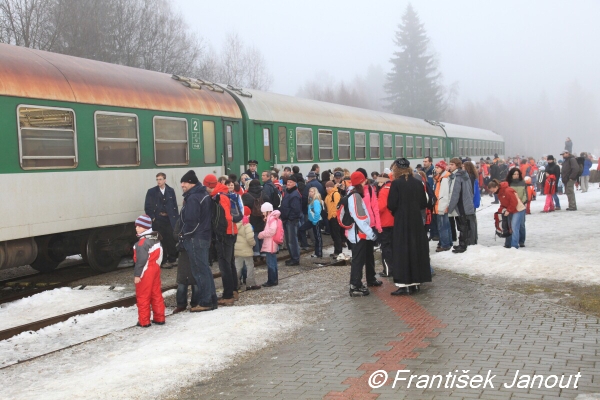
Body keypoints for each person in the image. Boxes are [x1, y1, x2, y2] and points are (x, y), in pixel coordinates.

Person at [387, 158, 431, 295]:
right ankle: (416, 283)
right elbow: (424, 202)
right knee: (416, 249)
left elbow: (391, 204)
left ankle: (404, 283)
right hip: (416, 220)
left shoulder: (396, 184)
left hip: (402, 221)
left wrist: (397, 211)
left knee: (403, 251)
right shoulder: (417, 183)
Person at [179, 170, 217, 312]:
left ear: (191, 183)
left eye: (184, 182)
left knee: (199, 271)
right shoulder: (203, 195)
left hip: (196, 238)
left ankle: (205, 301)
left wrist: (184, 234)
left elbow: (191, 221)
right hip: (203, 236)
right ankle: (211, 299)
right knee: (205, 270)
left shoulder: (194, 198)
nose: (182, 185)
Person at [204, 174, 238, 306]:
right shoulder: (224, 193)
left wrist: (219, 233)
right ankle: (234, 290)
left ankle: (228, 295)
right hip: (231, 232)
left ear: (210, 186)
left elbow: (225, 217)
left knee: (224, 265)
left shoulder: (219, 197)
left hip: (225, 234)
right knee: (230, 263)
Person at [345, 171, 376, 297]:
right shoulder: (355, 196)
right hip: (359, 234)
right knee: (358, 260)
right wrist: (371, 233)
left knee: (358, 259)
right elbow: (360, 217)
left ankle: (356, 284)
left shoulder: (352, 194)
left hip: (357, 232)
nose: (365, 183)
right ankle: (355, 285)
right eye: (363, 181)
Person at [132, 214, 166, 327]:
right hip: (155, 268)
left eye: (139, 226)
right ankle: (159, 317)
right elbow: (160, 254)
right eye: (136, 226)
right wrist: (157, 265)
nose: (136, 228)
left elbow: (140, 261)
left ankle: (144, 321)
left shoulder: (141, 243)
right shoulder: (155, 238)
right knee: (156, 293)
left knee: (143, 295)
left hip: (145, 271)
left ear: (146, 227)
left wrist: (137, 275)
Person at [352, 168, 383, 287]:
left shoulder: (370, 189)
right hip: (359, 228)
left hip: (370, 227)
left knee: (370, 254)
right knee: (359, 256)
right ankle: (357, 282)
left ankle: (371, 278)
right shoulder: (353, 191)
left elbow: (375, 208)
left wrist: (378, 226)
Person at [144, 173, 179, 269]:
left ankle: (172, 259)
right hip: (158, 219)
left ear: (165, 180)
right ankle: (163, 261)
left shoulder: (170, 191)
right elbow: (148, 206)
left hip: (169, 219)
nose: (158, 181)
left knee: (171, 239)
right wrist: (153, 218)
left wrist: (176, 218)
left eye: (160, 179)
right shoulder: (152, 192)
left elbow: (174, 206)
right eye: (157, 179)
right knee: (160, 240)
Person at [487, 179, 526, 249]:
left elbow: (514, 202)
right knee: (509, 227)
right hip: (510, 210)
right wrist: (500, 210)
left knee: (514, 227)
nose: (492, 192)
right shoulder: (499, 193)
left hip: (518, 209)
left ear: (496, 187)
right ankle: (508, 244)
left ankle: (514, 245)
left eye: (492, 190)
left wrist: (508, 210)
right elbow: (503, 204)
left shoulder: (508, 191)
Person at [447, 158, 475, 254]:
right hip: (464, 203)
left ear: (457, 165)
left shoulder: (458, 176)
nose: (450, 166)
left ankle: (463, 245)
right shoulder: (462, 175)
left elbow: (455, 193)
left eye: (452, 164)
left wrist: (450, 208)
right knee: (463, 225)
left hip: (461, 204)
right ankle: (462, 243)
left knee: (463, 226)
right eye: (449, 164)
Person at [235, 206, 260, 291]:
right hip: (246, 249)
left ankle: (235, 284)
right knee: (249, 266)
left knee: (237, 267)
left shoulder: (236, 223)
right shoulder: (247, 224)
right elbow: (250, 238)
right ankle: (250, 284)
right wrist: (253, 244)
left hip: (237, 249)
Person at [280, 176, 302, 266]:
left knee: (292, 241)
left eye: (290, 182)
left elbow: (295, 209)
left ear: (294, 183)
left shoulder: (294, 194)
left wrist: (289, 218)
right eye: (287, 182)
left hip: (291, 221)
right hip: (287, 220)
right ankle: (293, 257)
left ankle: (295, 258)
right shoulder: (288, 192)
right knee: (290, 240)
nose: (288, 183)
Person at [258, 202, 281, 287]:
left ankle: (272, 280)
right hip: (272, 243)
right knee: (273, 261)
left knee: (270, 262)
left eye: (263, 212)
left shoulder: (271, 219)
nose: (262, 213)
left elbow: (272, 231)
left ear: (267, 211)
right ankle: (274, 279)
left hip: (270, 244)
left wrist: (261, 234)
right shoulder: (272, 218)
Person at [242, 179, 266, 258]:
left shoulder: (246, 195)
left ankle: (256, 251)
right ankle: (263, 251)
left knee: (254, 233)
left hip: (252, 216)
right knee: (262, 233)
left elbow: (245, 206)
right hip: (262, 216)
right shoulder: (263, 193)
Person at [377, 171, 394, 276]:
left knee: (386, 247)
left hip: (385, 221)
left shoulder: (384, 190)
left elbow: (381, 207)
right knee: (392, 246)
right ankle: (394, 268)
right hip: (394, 221)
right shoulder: (393, 187)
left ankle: (388, 270)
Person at [433, 160, 452, 252]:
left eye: (438, 167)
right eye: (436, 167)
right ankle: (448, 242)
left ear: (442, 168)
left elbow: (444, 194)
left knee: (442, 226)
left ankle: (445, 244)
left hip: (441, 206)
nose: (436, 169)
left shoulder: (444, 178)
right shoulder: (442, 177)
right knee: (446, 225)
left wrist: (441, 207)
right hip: (441, 205)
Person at [299, 187, 323, 258]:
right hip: (311, 220)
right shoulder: (311, 200)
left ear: (315, 193)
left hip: (316, 221)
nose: (310, 193)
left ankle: (318, 253)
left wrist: (315, 221)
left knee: (318, 237)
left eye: (312, 192)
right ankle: (305, 244)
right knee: (301, 229)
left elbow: (317, 212)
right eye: (309, 191)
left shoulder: (316, 201)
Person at [506, 168, 527, 247]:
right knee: (513, 224)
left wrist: (523, 201)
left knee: (521, 224)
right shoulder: (508, 183)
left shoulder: (523, 182)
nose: (516, 176)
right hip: (512, 206)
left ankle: (521, 240)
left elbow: (525, 193)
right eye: (514, 174)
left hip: (521, 205)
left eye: (517, 174)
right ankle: (513, 241)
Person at [324, 181, 343, 257]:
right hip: (330, 217)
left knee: (336, 235)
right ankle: (336, 251)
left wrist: (334, 215)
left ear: (332, 187)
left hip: (334, 217)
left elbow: (337, 206)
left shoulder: (335, 194)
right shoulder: (329, 195)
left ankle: (338, 251)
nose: (327, 188)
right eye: (326, 187)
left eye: (329, 187)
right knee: (334, 235)